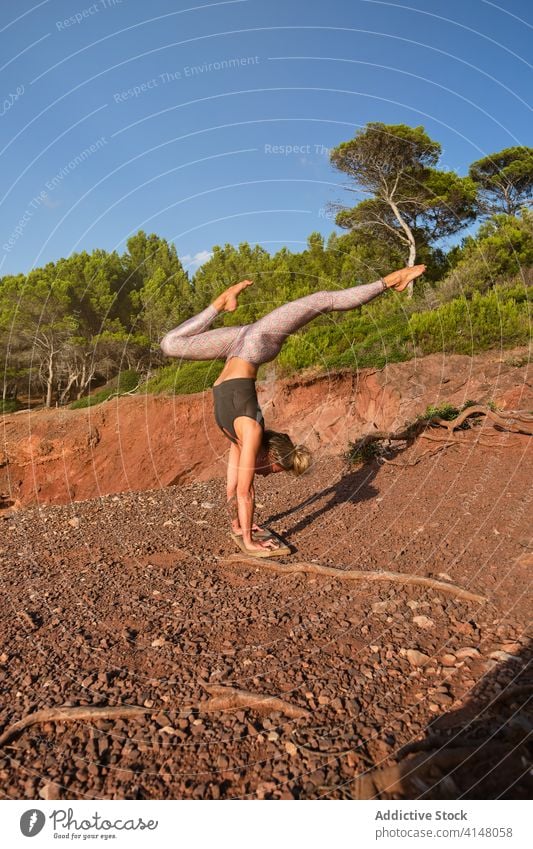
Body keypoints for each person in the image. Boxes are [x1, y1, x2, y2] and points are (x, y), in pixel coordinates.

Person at [161, 264, 426, 554]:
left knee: (171, 344)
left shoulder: (241, 438)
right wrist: (250, 543)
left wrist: (239, 526)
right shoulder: (249, 431)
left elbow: (233, 485)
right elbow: (245, 492)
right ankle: (390, 281)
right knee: (324, 300)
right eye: (272, 470)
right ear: (272, 454)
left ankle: (221, 303)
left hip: (239, 346)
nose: (265, 474)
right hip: (257, 341)